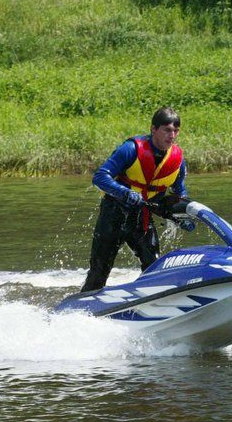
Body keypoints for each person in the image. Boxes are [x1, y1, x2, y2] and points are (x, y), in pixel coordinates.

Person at [80, 107, 194, 292]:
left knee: (154, 267)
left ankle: (146, 301)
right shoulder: (131, 149)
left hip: (142, 219)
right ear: (153, 129)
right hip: (114, 215)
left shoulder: (178, 160)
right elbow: (100, 177)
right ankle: (81, 309)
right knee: (99, 273)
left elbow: (179, 191)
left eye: (175, 131)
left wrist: (183, 215)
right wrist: (125, 193)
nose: (171, 135)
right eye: (166, 130)